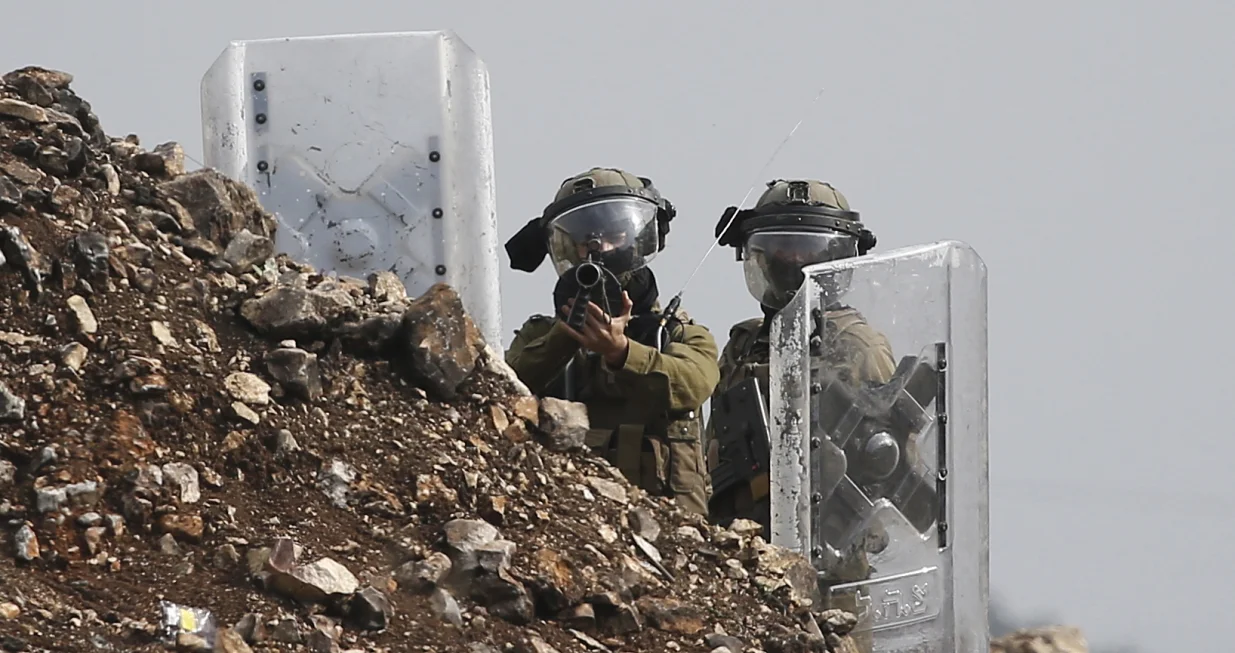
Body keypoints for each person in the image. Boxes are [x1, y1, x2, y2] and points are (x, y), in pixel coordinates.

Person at [705, 179, 893, 634]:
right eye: (781, 251)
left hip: (830, 567)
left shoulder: (856, 345)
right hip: (747, 554)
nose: (794, 264)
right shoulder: (745, 343)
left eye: (809, 253)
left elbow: (887, 460)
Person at [503, 167, 720, 517]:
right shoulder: (541, 335)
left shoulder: (675, 333)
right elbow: (505, 386)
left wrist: (621, 352)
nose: (599, 250)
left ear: (640, 239)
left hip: (671, 532)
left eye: (614, 236)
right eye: (586, 240)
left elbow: (695, 383)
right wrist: (567, 335)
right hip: (572, 524)